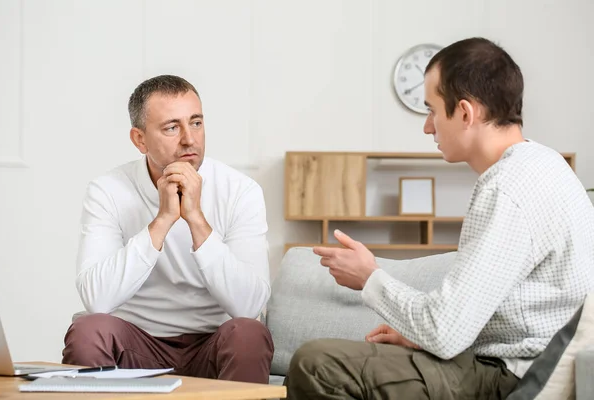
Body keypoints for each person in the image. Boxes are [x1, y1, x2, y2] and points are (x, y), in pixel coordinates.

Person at [285, 37, 594, 399]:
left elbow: (444, 332)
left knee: (315, 364)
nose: (428, 127)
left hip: (507, 376)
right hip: (506, 360)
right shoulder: (547, 164)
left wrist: (370, 277)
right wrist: (419, 335)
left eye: (432, 110)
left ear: (465, 113)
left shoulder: (507, 189)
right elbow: (488, 315)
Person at [61, 75, 274, 383]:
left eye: (196, 123)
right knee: (87, 330)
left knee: (250, 334)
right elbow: (97, 300)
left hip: (212, 346)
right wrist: (162, 220)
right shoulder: (107, 190)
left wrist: (196, 219)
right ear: (140, 139)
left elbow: (249, 305)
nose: (190, 139)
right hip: (138, 346)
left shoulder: (241, 191)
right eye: (172, 127)